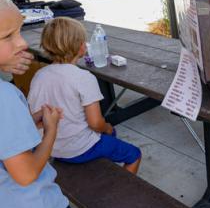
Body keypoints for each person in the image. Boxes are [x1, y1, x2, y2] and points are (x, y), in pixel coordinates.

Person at [0, 0, 84, 208]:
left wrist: (29, 120)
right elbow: (25, 174)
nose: (23, 43)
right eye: (7, 36)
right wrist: (50, 130)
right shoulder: (4, 97)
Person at [28, 17, 142, 174]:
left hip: (48, 146)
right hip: (78, 148)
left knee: (108, 137)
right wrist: (108, 128)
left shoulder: (39, 75)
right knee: (133, 154)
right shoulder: (84, 78)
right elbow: (95, 123)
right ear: (81, 47)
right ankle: (118, 186)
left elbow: (33, 113)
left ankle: (102, 164)